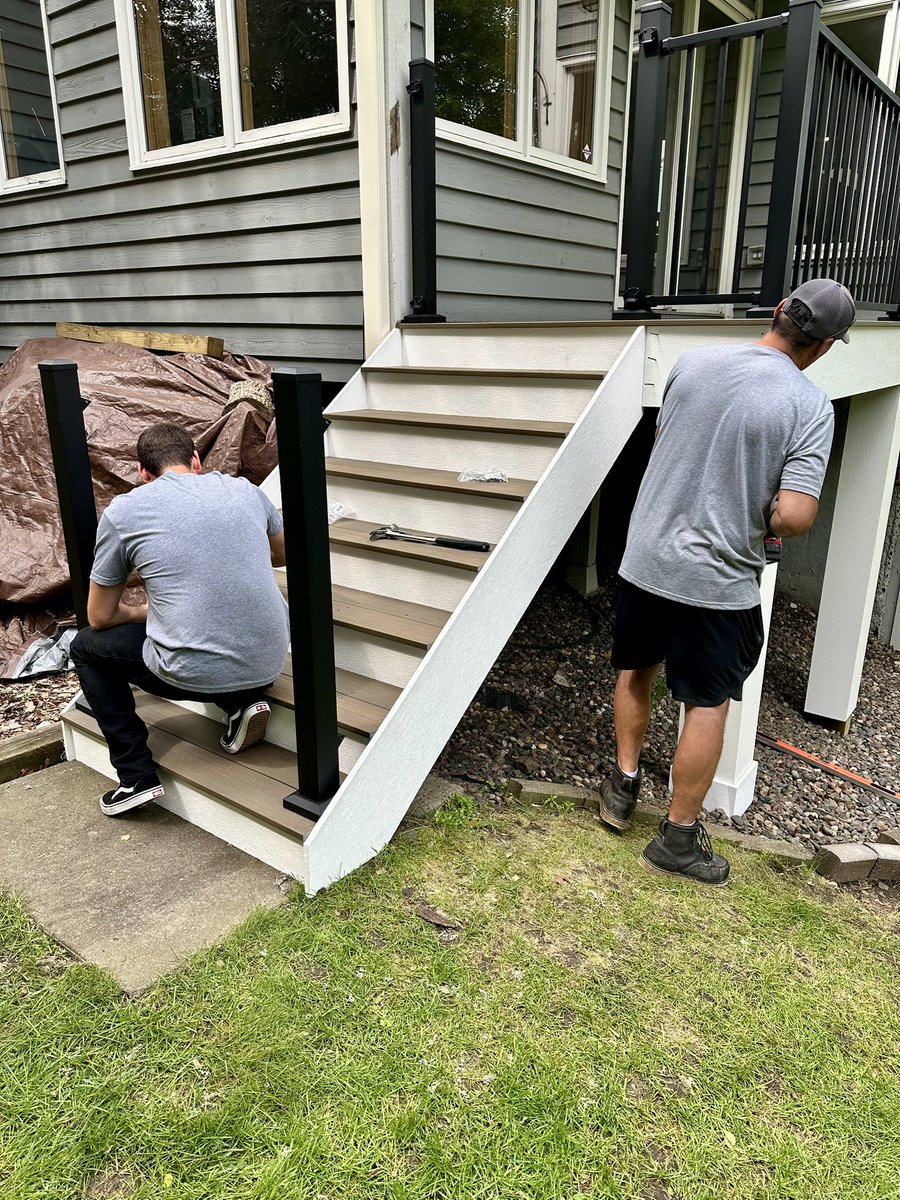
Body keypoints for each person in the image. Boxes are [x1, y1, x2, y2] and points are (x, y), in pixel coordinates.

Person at [599, 278, 857, 885]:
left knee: (636, 670)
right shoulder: (809, 407)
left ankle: (622, 784)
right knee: (706, 703)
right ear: (822, 347)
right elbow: (793, 515)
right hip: (715, 579)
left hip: (647, 558)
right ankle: (679, 840)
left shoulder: (693, 362)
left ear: (776, 314)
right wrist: (763, 514)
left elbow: (669, 443)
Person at [71, 422, 290, 817]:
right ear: (196, 461)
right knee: (209, 620)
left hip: (189, 673)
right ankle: (240, 702)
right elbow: (281, 554)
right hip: (270, 660)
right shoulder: (245, 490)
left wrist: (147, 611)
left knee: (85, 647)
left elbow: (99, 617)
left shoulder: (126, 511)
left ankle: (135, 777)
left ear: (142, 473)